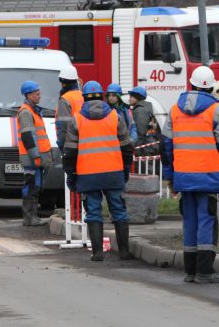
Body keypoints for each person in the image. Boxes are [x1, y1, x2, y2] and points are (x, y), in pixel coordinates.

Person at [162, 66, 219, 283]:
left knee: (190, 221)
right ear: (212, 86)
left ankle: (190, 271)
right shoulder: (217, 111)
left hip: (184, 176)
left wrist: (170, 177)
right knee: (207, 221)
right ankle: (205, 271)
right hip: (209, 174)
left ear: (191, 84)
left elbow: (165, 146)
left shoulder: (175, 110)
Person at [63, 81, 134, 262]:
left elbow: (70, 152)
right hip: (113, 173)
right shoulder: (115, 117)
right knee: (118, 210)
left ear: (84, 97)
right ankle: (124, 252)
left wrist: (71, 175)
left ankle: (97, 253)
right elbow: (127, 147)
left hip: (88, 175)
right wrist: (125, 169)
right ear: (102, 96)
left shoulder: (76, 119)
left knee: (94, 212)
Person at [16, 80, 54, 226]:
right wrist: (36, 155)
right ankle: (29, 218)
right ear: (29, 95)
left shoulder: (32, 111)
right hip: (32, 159)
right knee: (31, 187)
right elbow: (28, 137)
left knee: (35, 187)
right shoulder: (26, 112)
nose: (40, 96)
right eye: (37, 94)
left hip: (35, 158)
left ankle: (33, 217)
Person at [55, 64, 83, 152]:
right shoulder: (83, 95)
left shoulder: (65, 99)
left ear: (63, 83)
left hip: (70, 144)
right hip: (84, 141)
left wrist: (62, 145)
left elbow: (63, 126)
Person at [128, 86, 163, 156]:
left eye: (131, 97)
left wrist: (136, 150)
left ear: (137, 98)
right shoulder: (145, 108)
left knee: (145, 166)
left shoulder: (140, 111)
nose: (129, 99)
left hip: (146, 148)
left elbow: (141, 133)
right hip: (150, 145)